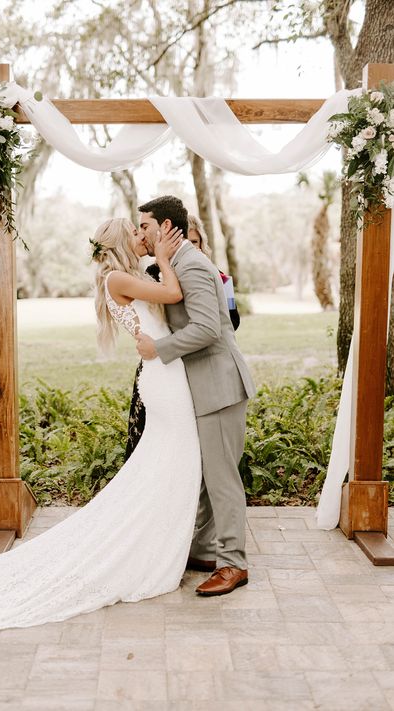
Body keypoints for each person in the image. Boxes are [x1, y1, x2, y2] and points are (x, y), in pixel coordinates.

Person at [0, 218, 202, 630]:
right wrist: (162, 257)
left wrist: (159, 260)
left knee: (165, 465)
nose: (144, 237)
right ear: (124, 242)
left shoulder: (127, 276)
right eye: (137, 233)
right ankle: (149, 550)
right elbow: (173, 293)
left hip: (164, 374)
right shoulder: (118, 278)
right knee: (172, 462)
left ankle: (154, 543)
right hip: (164, 380)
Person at [136, 195, 256, 596]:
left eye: (146, 226)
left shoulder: (192, 265)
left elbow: (209, 328)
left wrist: (159, 350)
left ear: (168, 227)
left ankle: (233, 563)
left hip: (219, 387)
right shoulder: (177, 263)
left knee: (222, 479)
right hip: (201, 387)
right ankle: (205, 550)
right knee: (204, 475)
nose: (142, 234)